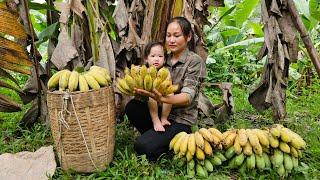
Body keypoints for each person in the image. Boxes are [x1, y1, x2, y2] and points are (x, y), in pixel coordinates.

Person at [125, 16, 206, 161]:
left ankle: (166, 144)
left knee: (142, 147)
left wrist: (163, 98)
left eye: (177, 35)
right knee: (132, 107)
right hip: (160, 114)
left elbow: (187, 97)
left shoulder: (194, 62)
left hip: (180, 119)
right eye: (168, 36)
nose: (171, 40)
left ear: (188, 37)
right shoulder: (162, 58)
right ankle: (157, 136)